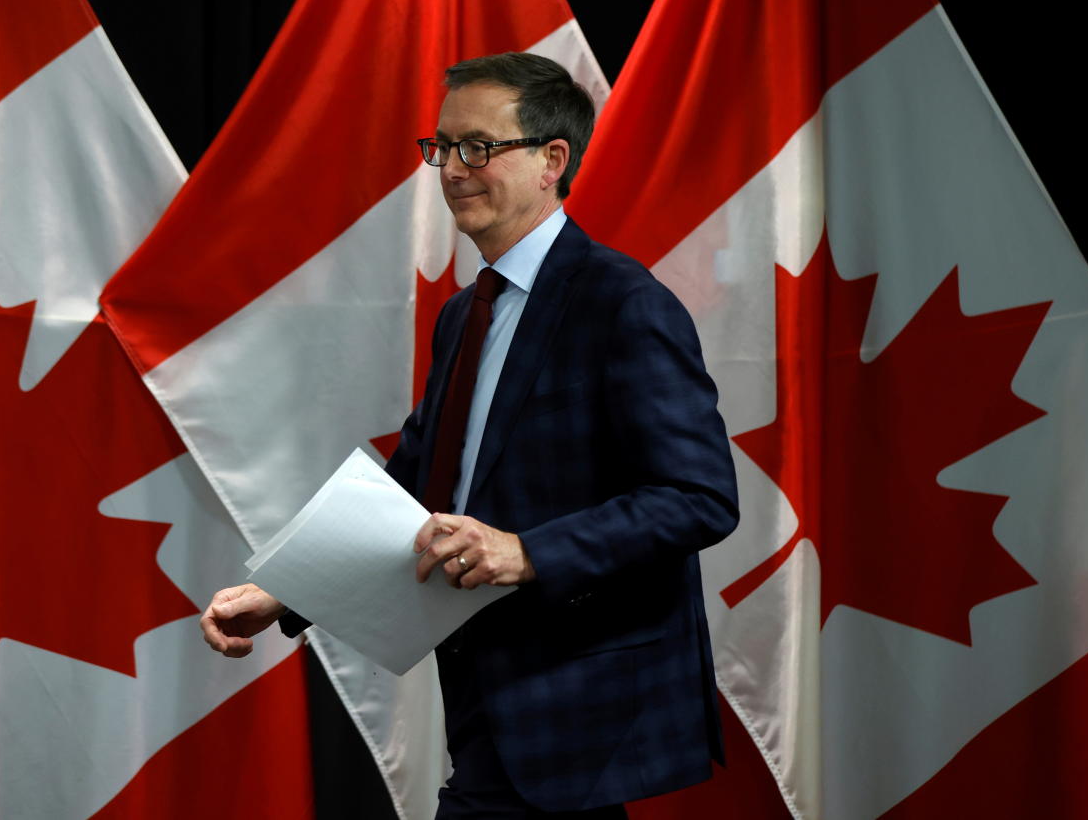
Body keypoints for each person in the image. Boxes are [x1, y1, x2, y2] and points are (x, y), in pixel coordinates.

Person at [200, 52, 739, 818]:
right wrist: (286, 590)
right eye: (442, 146)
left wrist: (525, 551)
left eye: (478, 146)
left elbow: (699, 497)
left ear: (553, 160)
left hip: (577, 709)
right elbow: (417, 481)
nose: (452, 168)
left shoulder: (623, 303)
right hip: (489, 696)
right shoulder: (465, 314)